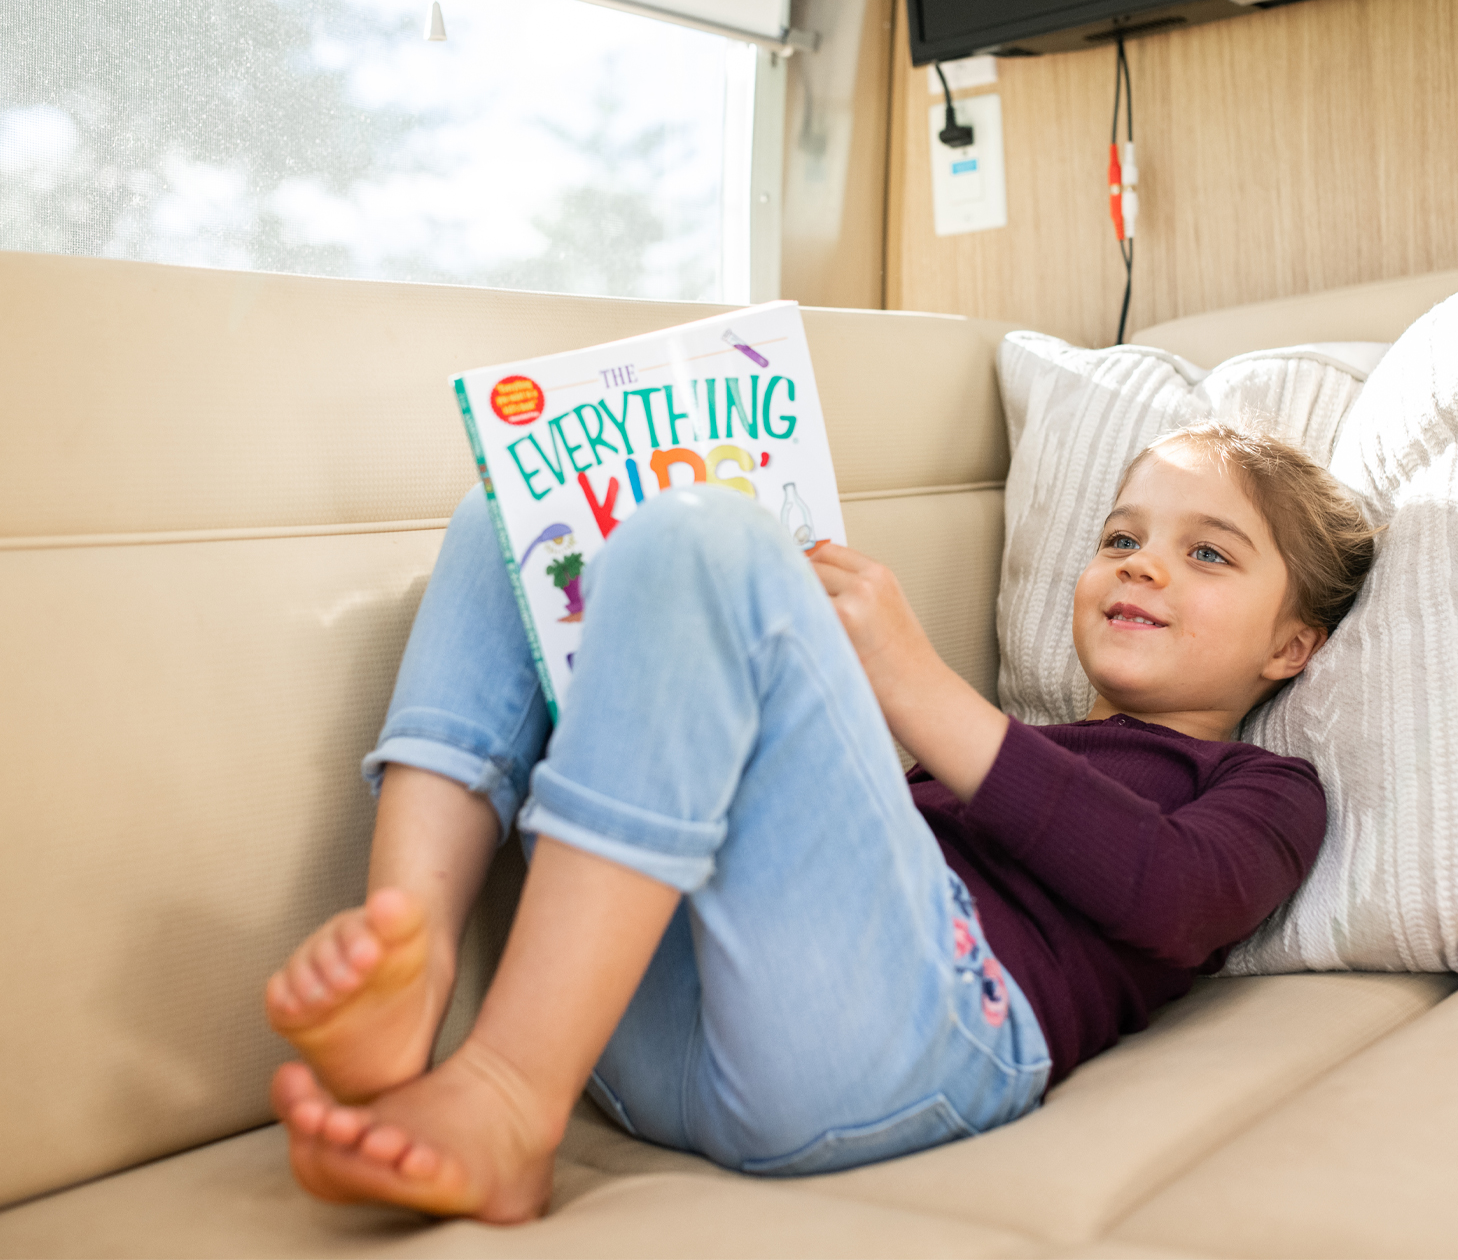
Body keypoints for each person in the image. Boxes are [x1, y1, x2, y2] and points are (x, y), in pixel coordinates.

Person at [264, 421, 1377, 1222]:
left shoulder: (1270, 787)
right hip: (657, 1020)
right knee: (520, 512)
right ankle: (408, 949)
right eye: (1122, 535)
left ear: (1290, 647)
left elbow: (1171, 894)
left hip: (920, 1044)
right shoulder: (1005, 752)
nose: (1143, 563)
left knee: (713, 534)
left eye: (1209, 553)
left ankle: (509, 1091)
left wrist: (910, 679)